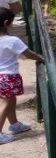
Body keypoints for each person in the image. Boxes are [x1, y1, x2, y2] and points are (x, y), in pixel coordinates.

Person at [0, 8, 45, 145]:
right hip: (8, 76)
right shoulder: (12, 40)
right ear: (7, 23)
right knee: (5, 103)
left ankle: (14, 124)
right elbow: (27, 53)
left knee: (10, 101)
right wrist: (40, 58)